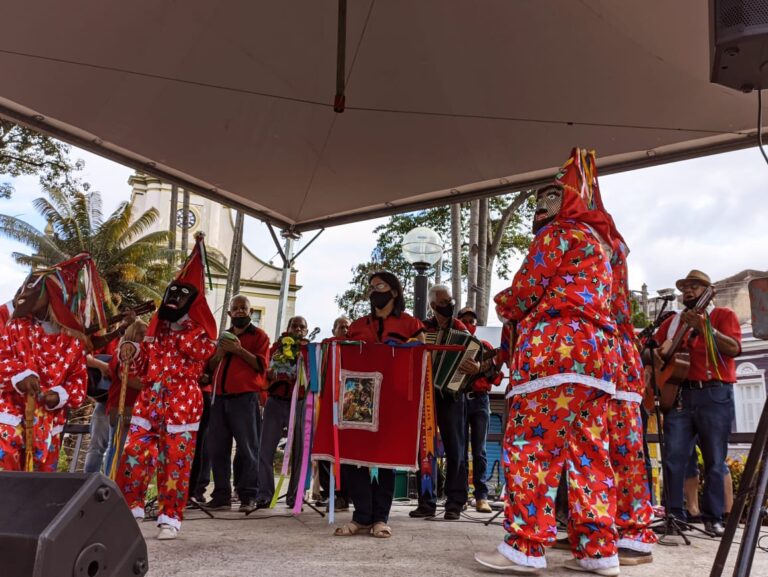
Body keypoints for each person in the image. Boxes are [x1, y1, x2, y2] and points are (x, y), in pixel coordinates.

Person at [475, 148, 621, 575]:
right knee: (590, 454)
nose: (539, 210)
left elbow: (523, 292)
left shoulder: (557, 236)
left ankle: (526, 545)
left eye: (547, 200)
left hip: (554, 353)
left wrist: (504, 304)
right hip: (598, 360)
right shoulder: (602, 246)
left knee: (532, 449)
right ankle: (598, 551)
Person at [116, 233, 217, 540]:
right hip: (149, 400)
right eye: (170, 294)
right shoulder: (154, 334)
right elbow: (141, 366)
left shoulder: (199, 335)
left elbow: (201, 353)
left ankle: (169, 518)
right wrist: (129, 352)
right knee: (133, 454)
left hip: (183, 403)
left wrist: (184, 325)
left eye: (180, 295)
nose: (172, 299)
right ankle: (128, 511)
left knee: (175, 462)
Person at [333, 271, 424, 539]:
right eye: (371, 287)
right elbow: (344, 353)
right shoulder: (359, 324)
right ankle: (361, 516)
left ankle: (380, 518)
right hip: (359, 398)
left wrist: (406, 346)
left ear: (394, 292)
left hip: (394, 399)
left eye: (380, 286)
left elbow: (421, 355)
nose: (374, 291)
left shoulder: (411, 323)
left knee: (387, 459)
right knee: (354, 458)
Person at [0, 254, 108, 472]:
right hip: (9, 422)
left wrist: (59, 394)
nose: (22, 293)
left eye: (32, 288)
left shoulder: (73, 341)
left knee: (40, 491)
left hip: (48, 431)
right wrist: (19, 376)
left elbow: (78, 382)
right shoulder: (14, 327)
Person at [654, 269, 741, 537]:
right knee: (674, 457)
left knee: (715, 459)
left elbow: (734, 349)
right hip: (681, 394)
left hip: (714, 393)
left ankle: (713, 517)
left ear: (707, 290)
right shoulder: (673, 321)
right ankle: (674, 515)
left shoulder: (723, 315)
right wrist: (659, 357)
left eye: (694, 287)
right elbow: (655, 351)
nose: (688, 291)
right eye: (685, 288)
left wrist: (706, 328)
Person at [410, 285, 480, 521]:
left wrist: (475, 367)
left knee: (456, 449)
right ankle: (426, 501)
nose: (449, 305)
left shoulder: (462, 329)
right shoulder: (422, 328)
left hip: (452, 394)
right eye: (444, 302)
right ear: (432, 305)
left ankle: (454, 502)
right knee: (425, 448)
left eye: (450, 300)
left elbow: (476, 360)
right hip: (426, 395)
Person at [205, 295, 270, 513]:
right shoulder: (224, 337)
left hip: (245, 399)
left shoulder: (259, 336)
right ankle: (221, 495)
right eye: (236, 308)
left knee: (248, 450)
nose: (240, 311)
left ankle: (248, 495)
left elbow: (261, 366)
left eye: (244, 308)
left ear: (250, 312)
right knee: (217, 448)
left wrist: (239, 350)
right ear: (229, 313)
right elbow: (211, 366)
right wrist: (221, 353)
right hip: (220, 398)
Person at [256, 315, 309, 508]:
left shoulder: (309, 351)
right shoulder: (276, 348)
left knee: (299, 452)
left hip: (300, 403)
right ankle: (265, 494)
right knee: (265, 450)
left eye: (301, 327)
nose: (297, 329)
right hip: (275, 402)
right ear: (288, 327)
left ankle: (295, 496)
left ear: (306, 331)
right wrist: (272, 375)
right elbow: (264, 371)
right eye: (294, 325)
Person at [457, 305, 500, 514]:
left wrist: (483, 367)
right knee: (460, 451)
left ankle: (482, 496)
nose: (468, 324)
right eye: (464, 320)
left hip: (480, 400)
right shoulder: (453, 346)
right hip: (458, 400)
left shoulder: (484, 345)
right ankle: (461, 495)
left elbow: (496, 376)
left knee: (480, 451)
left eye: (472, 321)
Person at [318, 315, 351, 510]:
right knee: (325, 452)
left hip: (349, 408)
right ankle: (329, 492)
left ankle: (344, 495)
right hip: (327, 406)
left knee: (346, 455)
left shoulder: (357, 348)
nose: (345, 330)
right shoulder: (326, 347)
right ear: (333, 331)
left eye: (348, 327)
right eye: (341, 327)